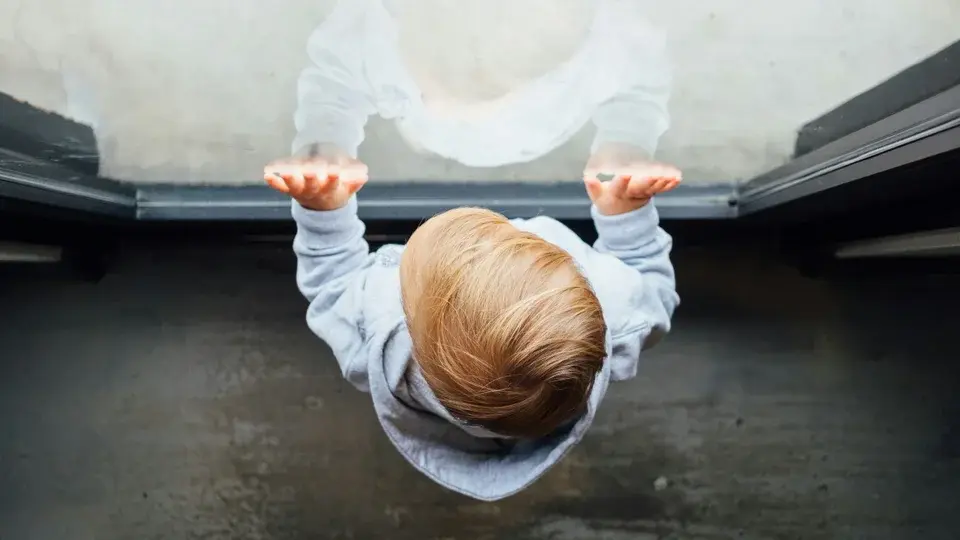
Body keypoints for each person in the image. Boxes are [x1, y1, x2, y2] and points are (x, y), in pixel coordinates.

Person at [262, 160, 682, 501]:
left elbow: (335, 285)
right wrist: (626, 217)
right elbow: (654, 291)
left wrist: (324, 212)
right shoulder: (616, 308)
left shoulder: (377, 340)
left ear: (406, 313)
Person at [287, 0, 672, 173]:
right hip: (422, 141)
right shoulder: (371, 27)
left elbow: (639, 88)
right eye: (424, 92)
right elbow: (334, 80)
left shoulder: (609, 48)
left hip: (545, 137)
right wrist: (325, 141)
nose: (438, 110)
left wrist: (624, 141)